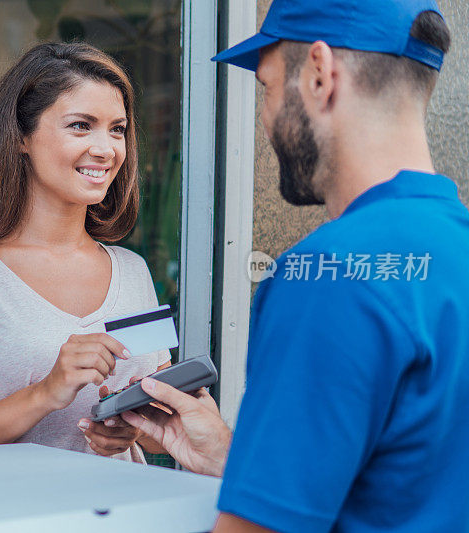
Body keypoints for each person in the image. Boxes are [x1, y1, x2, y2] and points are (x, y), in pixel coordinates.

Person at [122, 0, 469, 530]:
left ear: (319, 73)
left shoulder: (330, 273)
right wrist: (235, 460)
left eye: (265, 88)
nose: (264, 118)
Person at [0, 42, 170, 463]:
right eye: (81, 125)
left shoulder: (133, 272)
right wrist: (46, 392)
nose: (106, 148)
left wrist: (135, 426)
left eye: (117, 128)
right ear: (22, 136)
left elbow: (159, 434)